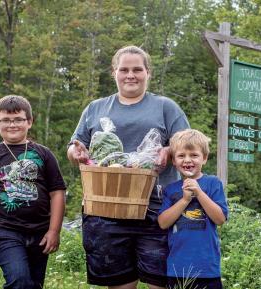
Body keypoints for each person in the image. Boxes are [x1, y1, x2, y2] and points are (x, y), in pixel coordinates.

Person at [67, 45, 190, 289]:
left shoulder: (166, 107)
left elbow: (188, 146)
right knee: (120, 283)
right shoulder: (95, 108)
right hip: (106, 207)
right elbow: (74, 147)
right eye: (124, 69)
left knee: (161, 282)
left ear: (148, 73)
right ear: (114, 72)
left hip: (157, 207)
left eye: (137, 69)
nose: (130, 75)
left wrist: (169, 150)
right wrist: (77, 153)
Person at [0, 95, 66, 289]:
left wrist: (54, 230)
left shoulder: (44, 154)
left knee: (34, 284)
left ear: (29, 122)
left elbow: (58, 194)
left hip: (40, 231)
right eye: (6, 120)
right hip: (5, 230)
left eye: (19, 119)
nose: (12, 124)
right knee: (19, 281)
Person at [158, 129, 229, 289]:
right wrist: (184, 200)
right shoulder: (171, 189)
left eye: (194, 155)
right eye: (181, 156)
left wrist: (199, 193)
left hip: (207, 268)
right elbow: (163, 223)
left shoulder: (212, 183)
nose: (187, 160)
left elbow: (220, 219)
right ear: (174, 161)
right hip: (177, 269)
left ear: (204, 158)